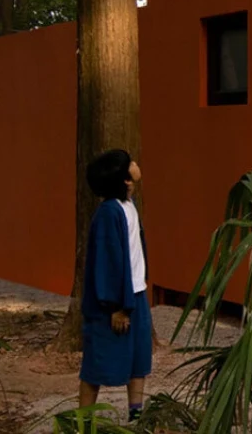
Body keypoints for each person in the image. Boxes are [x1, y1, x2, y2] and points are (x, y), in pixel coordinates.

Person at [78, 149, 152, 421]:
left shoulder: (129, 205)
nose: (136, 164)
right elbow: (108, 262)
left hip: (136, 294)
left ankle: (136, 416)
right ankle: (84, 421)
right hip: (114, 302)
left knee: (138, 358)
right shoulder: (109, 213)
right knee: (97, 363)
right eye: (130, 163)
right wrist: (116, 307)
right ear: (124, 179)